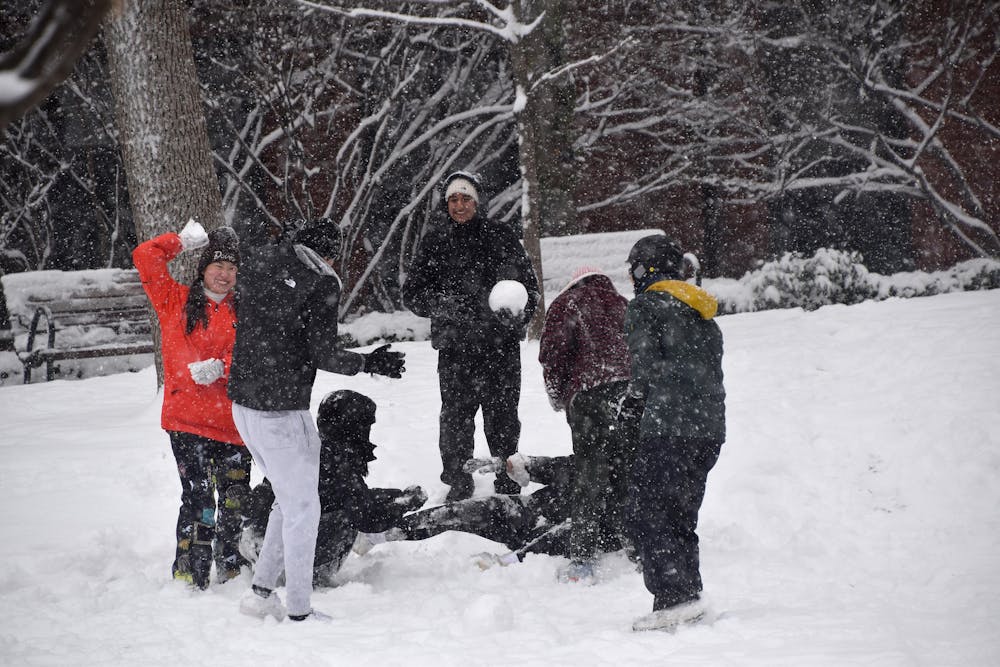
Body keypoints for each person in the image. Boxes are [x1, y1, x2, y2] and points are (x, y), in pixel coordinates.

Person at [228, 217, 406, 623]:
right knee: (304, 509)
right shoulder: (320, 279)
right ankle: (299, 613)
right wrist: (368, 361)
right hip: (281, 410)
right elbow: (324, 353)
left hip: (242, 405)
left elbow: (243, 314)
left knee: (285, 500)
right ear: (328, 255)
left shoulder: (258, 261)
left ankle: (260, 592)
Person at [402, 171, 540, 501]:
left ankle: (506, 480)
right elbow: (412, 293)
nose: (460, 205)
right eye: (453, 199)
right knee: (455, 420)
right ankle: (459, 481)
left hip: (499, 348)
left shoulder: (501, 236)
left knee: (503, 418)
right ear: (445, 204)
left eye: (466, 199)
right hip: (455, 349)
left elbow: (529, 290)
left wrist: (516, 313)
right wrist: (441, 304)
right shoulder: (435, 241)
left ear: (478, 202)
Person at [132, 220, 251, 590]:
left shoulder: (246, 311)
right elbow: (145, 257)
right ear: (203, 269)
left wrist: (223, 367)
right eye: (218, 266)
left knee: (235, 500)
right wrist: (181, 242)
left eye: (232, 268)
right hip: (188, 421)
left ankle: (231, 568)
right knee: (199, 498)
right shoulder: (174, 300)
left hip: (235, 423)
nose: (225, 275)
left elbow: (261, 358)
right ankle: (190, 573)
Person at [618, 234, 726, 632]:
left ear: (644, 269)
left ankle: (673, 596)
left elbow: (644, 365)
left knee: (647, 511)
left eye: (632, 271)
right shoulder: (702, 314)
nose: (631, 279)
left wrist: (632, 402)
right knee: (681, 514)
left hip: (669, 427)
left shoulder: (647, 307)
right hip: (709, 430)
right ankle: (690, 593)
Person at [241, 389, 427, 588]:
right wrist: (404, 504)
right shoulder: (338, 462)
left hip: (260, 548)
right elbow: (367, 518)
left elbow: (348, 496)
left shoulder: (303, 446)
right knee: (350, 516)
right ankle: (315, 575)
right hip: (291, 566)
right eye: (364, 426)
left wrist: (394, 495)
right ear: (351, 427)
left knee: (342, 507)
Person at [538, 266, 636, 583]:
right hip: (630, 395)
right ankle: (636, 547)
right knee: (627, 473)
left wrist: (558, 397)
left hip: (590, 394)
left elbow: (552, 357)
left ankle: (582, 559)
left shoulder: (566, 304)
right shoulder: (621, 302)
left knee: (589, 477)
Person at [387, 452, 631, 571]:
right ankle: (384, 533)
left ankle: (508, 563)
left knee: (563, 531)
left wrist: (514, 559)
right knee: (456, 513)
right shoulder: (604, 455)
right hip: (527, 510)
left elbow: (575, 534)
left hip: (546, 536)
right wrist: (509, 465)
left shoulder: (635, 498)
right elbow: (560, 467)